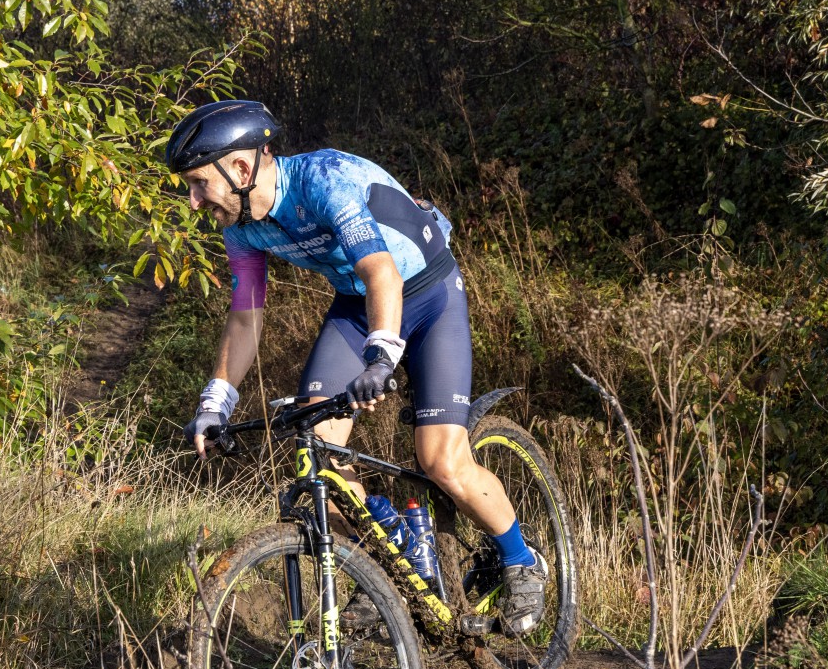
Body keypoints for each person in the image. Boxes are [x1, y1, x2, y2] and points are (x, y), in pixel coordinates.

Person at [166, 98, 547, 635]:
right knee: (316, 451)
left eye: (199, 183)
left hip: (425, 290)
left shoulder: (324, 179)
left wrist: (381, 356)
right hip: (357, 302)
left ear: (242, 168)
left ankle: (521, 559)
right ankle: (396, 550)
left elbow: (382, 273)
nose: (193, 200)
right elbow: (245, 317)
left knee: (440, 460)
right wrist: (215, 402)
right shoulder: (240, 226)